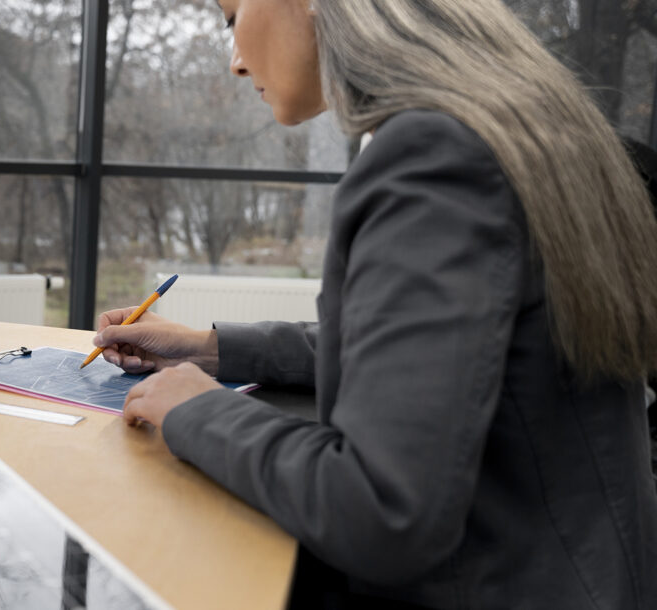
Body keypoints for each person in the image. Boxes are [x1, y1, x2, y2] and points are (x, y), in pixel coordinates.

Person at [94, 1, 657, 608]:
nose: (234, 61)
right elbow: (425, 354)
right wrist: (208, 349)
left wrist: (198, 412)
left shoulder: (432, 157)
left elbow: (383, 510)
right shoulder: (508, 128)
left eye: (232, 18)